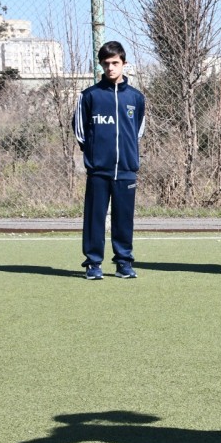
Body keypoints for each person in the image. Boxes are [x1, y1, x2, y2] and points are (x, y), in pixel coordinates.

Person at [73, 41, 146, 280]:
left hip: (126, 169)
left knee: (124, 218)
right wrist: (95, 154)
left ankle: (123, 261)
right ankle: (93, 263)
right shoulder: (89, 96)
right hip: (99, 170)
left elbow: (137, 131)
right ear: (100, 66)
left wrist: (127, 154)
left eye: (115, 63)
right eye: (106, 64)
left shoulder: (136, 97)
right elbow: (80, 132)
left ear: (124, 63)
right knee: (94, 218)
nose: (110, 68)